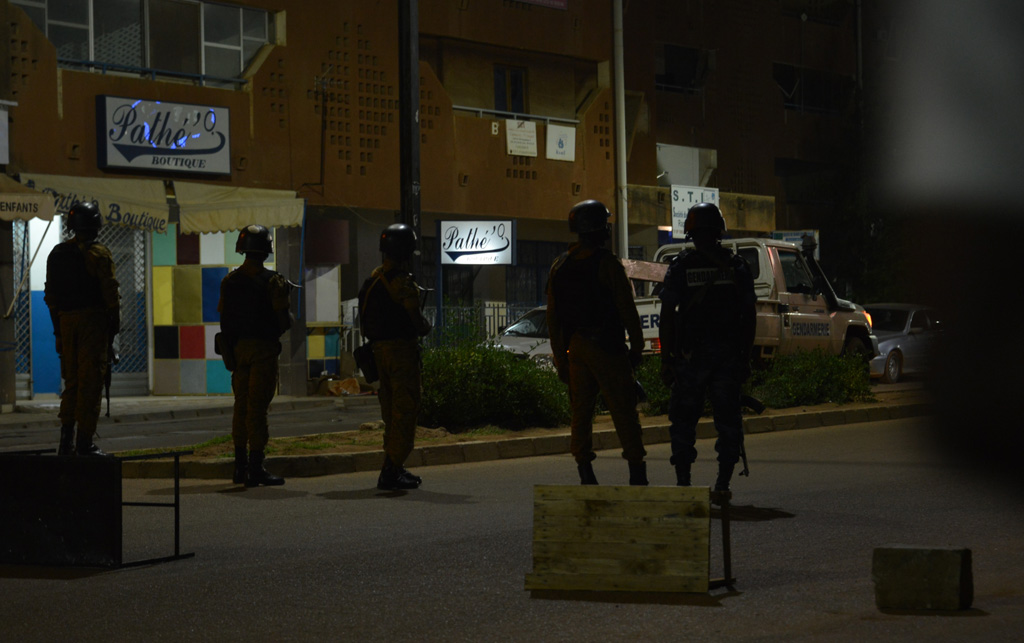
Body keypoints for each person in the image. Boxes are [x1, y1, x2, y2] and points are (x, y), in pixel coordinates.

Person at [546, 200, 648, 486]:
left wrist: (560, 359)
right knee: (623, 410)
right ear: (601, 229)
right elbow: (627, 310)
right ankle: (637, 472)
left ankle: (585, 472)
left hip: (576, 348)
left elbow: (553, 318)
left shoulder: (560, 266)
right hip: (606, 347)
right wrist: (637, 348)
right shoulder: (607, 264)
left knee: (581, 411)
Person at [658, 203, 756, 494]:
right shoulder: (737, 266)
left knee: (683, 422)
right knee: (728, 422)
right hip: (726, 358)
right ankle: (723, 483)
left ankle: (684, 485)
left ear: (690, 232)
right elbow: (749, 316)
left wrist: (666, 359)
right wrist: (745, 357)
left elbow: (667, 314)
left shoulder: (681, 265)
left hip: (690, 359)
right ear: (718, 232)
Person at [358, 223, 432, 491]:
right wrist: (425, 326)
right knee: (405, 408)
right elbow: (417, 322)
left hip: (378, 353)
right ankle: (391, 469)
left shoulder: (372, 281)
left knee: (390, 410)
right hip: (401, 353)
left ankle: (394, 465)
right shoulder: (402, 283)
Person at [218, 225, 293, 487]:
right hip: (262, 351)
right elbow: (284, 322)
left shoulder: (229, 281)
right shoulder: (273, 281)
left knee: (241, 406)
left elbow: (224, 319)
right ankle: (256, 467)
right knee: (257, 409)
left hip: (238, 352)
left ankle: (239, 468)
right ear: (265, 250)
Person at [44, 201, 120, 456]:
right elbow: (111, 295)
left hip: (65, 323)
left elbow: (51, 296)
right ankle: (85, 442)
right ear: (96, 225)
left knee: (72, 381)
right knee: (91, 381)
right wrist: (113, 328)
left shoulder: (57, 253)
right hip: (92, 323)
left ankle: (66, 441)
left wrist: (58, 331)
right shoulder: (99, 253)